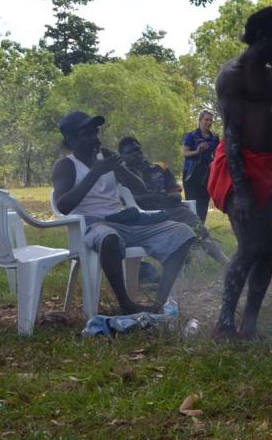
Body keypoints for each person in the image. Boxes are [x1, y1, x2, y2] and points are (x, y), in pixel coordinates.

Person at [208, 7, 272, 340]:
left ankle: (250, 324)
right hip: (235, 167)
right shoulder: (232, 75)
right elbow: (231, 134)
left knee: (270, 245)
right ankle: (224, 322)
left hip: (266, 167)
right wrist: (242, 191)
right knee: (249, 245)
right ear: (262, 37)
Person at [51, 112, 194, 314]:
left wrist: (119, 169)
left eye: (96, 132)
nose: (96, 138)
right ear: (71, 139)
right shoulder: (66, 166)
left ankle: (159, 302)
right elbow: (63, 206)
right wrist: (95, 173)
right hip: (93, 226)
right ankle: (126, 304)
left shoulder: (106, 158)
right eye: (88, 134)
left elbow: (140, 190)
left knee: (183, 233)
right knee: (108, 238)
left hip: (124, 221)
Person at [117, 136, 229, 266]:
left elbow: (175, 193)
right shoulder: (122, 174)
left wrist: (169, 197)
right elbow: (122, 199)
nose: (136, 154)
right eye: (130, 152)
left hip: (172, 209)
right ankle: (174, 264)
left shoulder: (159, 168)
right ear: (123, 156)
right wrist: (149, 198)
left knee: (198, 229)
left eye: (137, 149)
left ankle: (225, 263)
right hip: (145, 216)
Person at [181, 109, 219, 222]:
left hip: (206, 175)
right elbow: (185, 153)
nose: (208, 123)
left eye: (211, 121)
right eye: (206, 120)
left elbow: (217, 154)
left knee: (203, 203)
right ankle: (192, 230)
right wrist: (197, 151)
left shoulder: (214, 138)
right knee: (192, 203)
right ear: (200, 120)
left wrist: (215, 161)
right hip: (191, 174)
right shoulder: (191, 136)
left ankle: (201, 230)